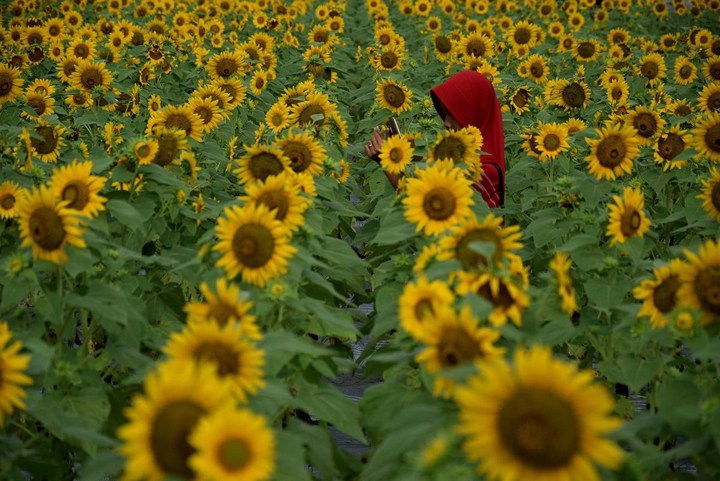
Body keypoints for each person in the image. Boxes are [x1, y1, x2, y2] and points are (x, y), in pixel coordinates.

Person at [364, 70, 505, 208]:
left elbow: (426, 208)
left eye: (453, 113)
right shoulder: (456, 153)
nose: (446, 122)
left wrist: (385, 163)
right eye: (444, 113)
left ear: (474, 113)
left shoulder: (484, 170)